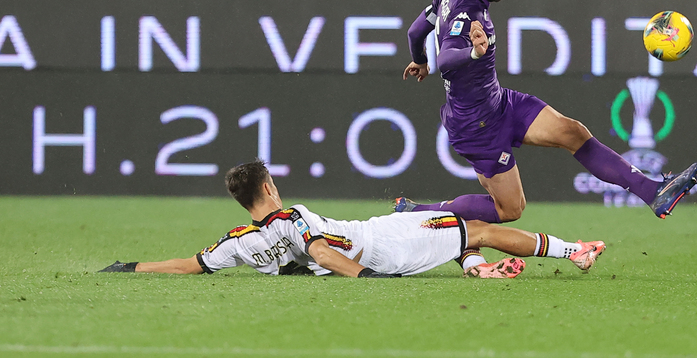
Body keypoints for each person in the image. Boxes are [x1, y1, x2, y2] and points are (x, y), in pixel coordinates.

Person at [398, 0, 697, 223]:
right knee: (510, 209)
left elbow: (416, 31)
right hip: (476, 125)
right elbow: (447, 59)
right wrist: (473, 54)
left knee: (573, 132)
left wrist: (418, 60)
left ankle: (654, 192)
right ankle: (420, 212)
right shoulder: (466, 13)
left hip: (498, 102)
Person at [100, 160, 606, 279]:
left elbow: (188, 264)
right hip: (375, 246)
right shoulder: (292, 216)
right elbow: (319, 250)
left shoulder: (236, 243)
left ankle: (477, 269)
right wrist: (364, 276)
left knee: (452, 229)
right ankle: (573, 251)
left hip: (377, 239)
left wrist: (131, 268)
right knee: (478, 228)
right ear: (270, 188)